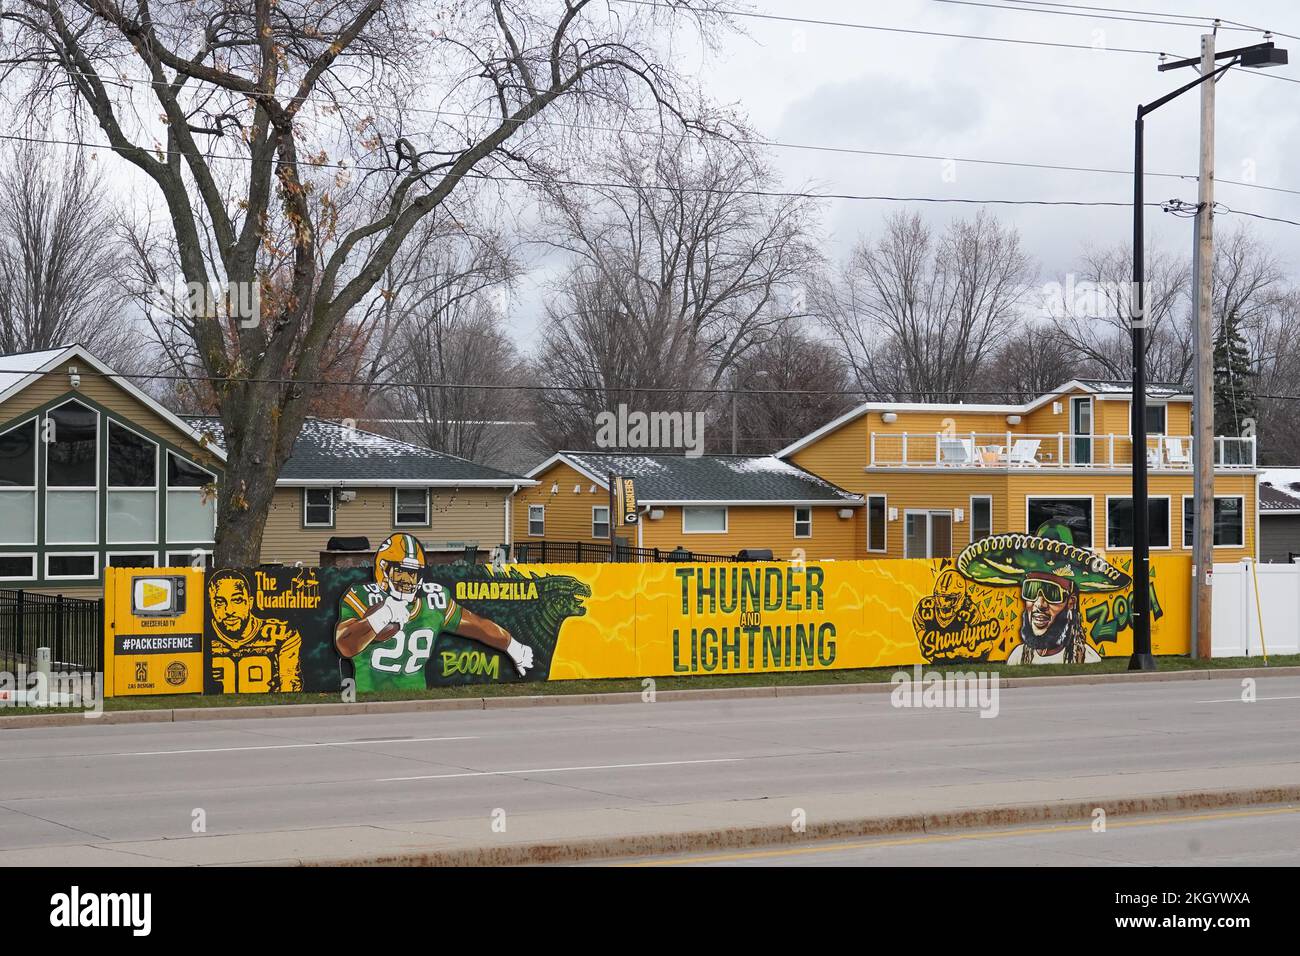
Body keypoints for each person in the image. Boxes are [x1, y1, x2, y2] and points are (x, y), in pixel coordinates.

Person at [334, 533, 533, 692]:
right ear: (384, 569)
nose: (407, 580)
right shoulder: (362, 596)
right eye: (400, 571)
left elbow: (478, 627)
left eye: (413, 573)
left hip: (416, 694)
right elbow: (344, 644)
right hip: (369, 693)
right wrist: (380, 616)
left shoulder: (433, 600)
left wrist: (512, 646)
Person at [955, 521, 1131, 665]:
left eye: (1051, 592)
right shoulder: (1017, 657)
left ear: (1071, 602)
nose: (1039, 604)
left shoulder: (1086, 658)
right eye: (1030, 590)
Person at [208, 569, 303, 692]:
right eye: (220, 602)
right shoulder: (204, 634)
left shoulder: (281, 635)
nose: (229, 610)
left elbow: (289, 688)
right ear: (211, 604)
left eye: (237, 600)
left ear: (250, 603)